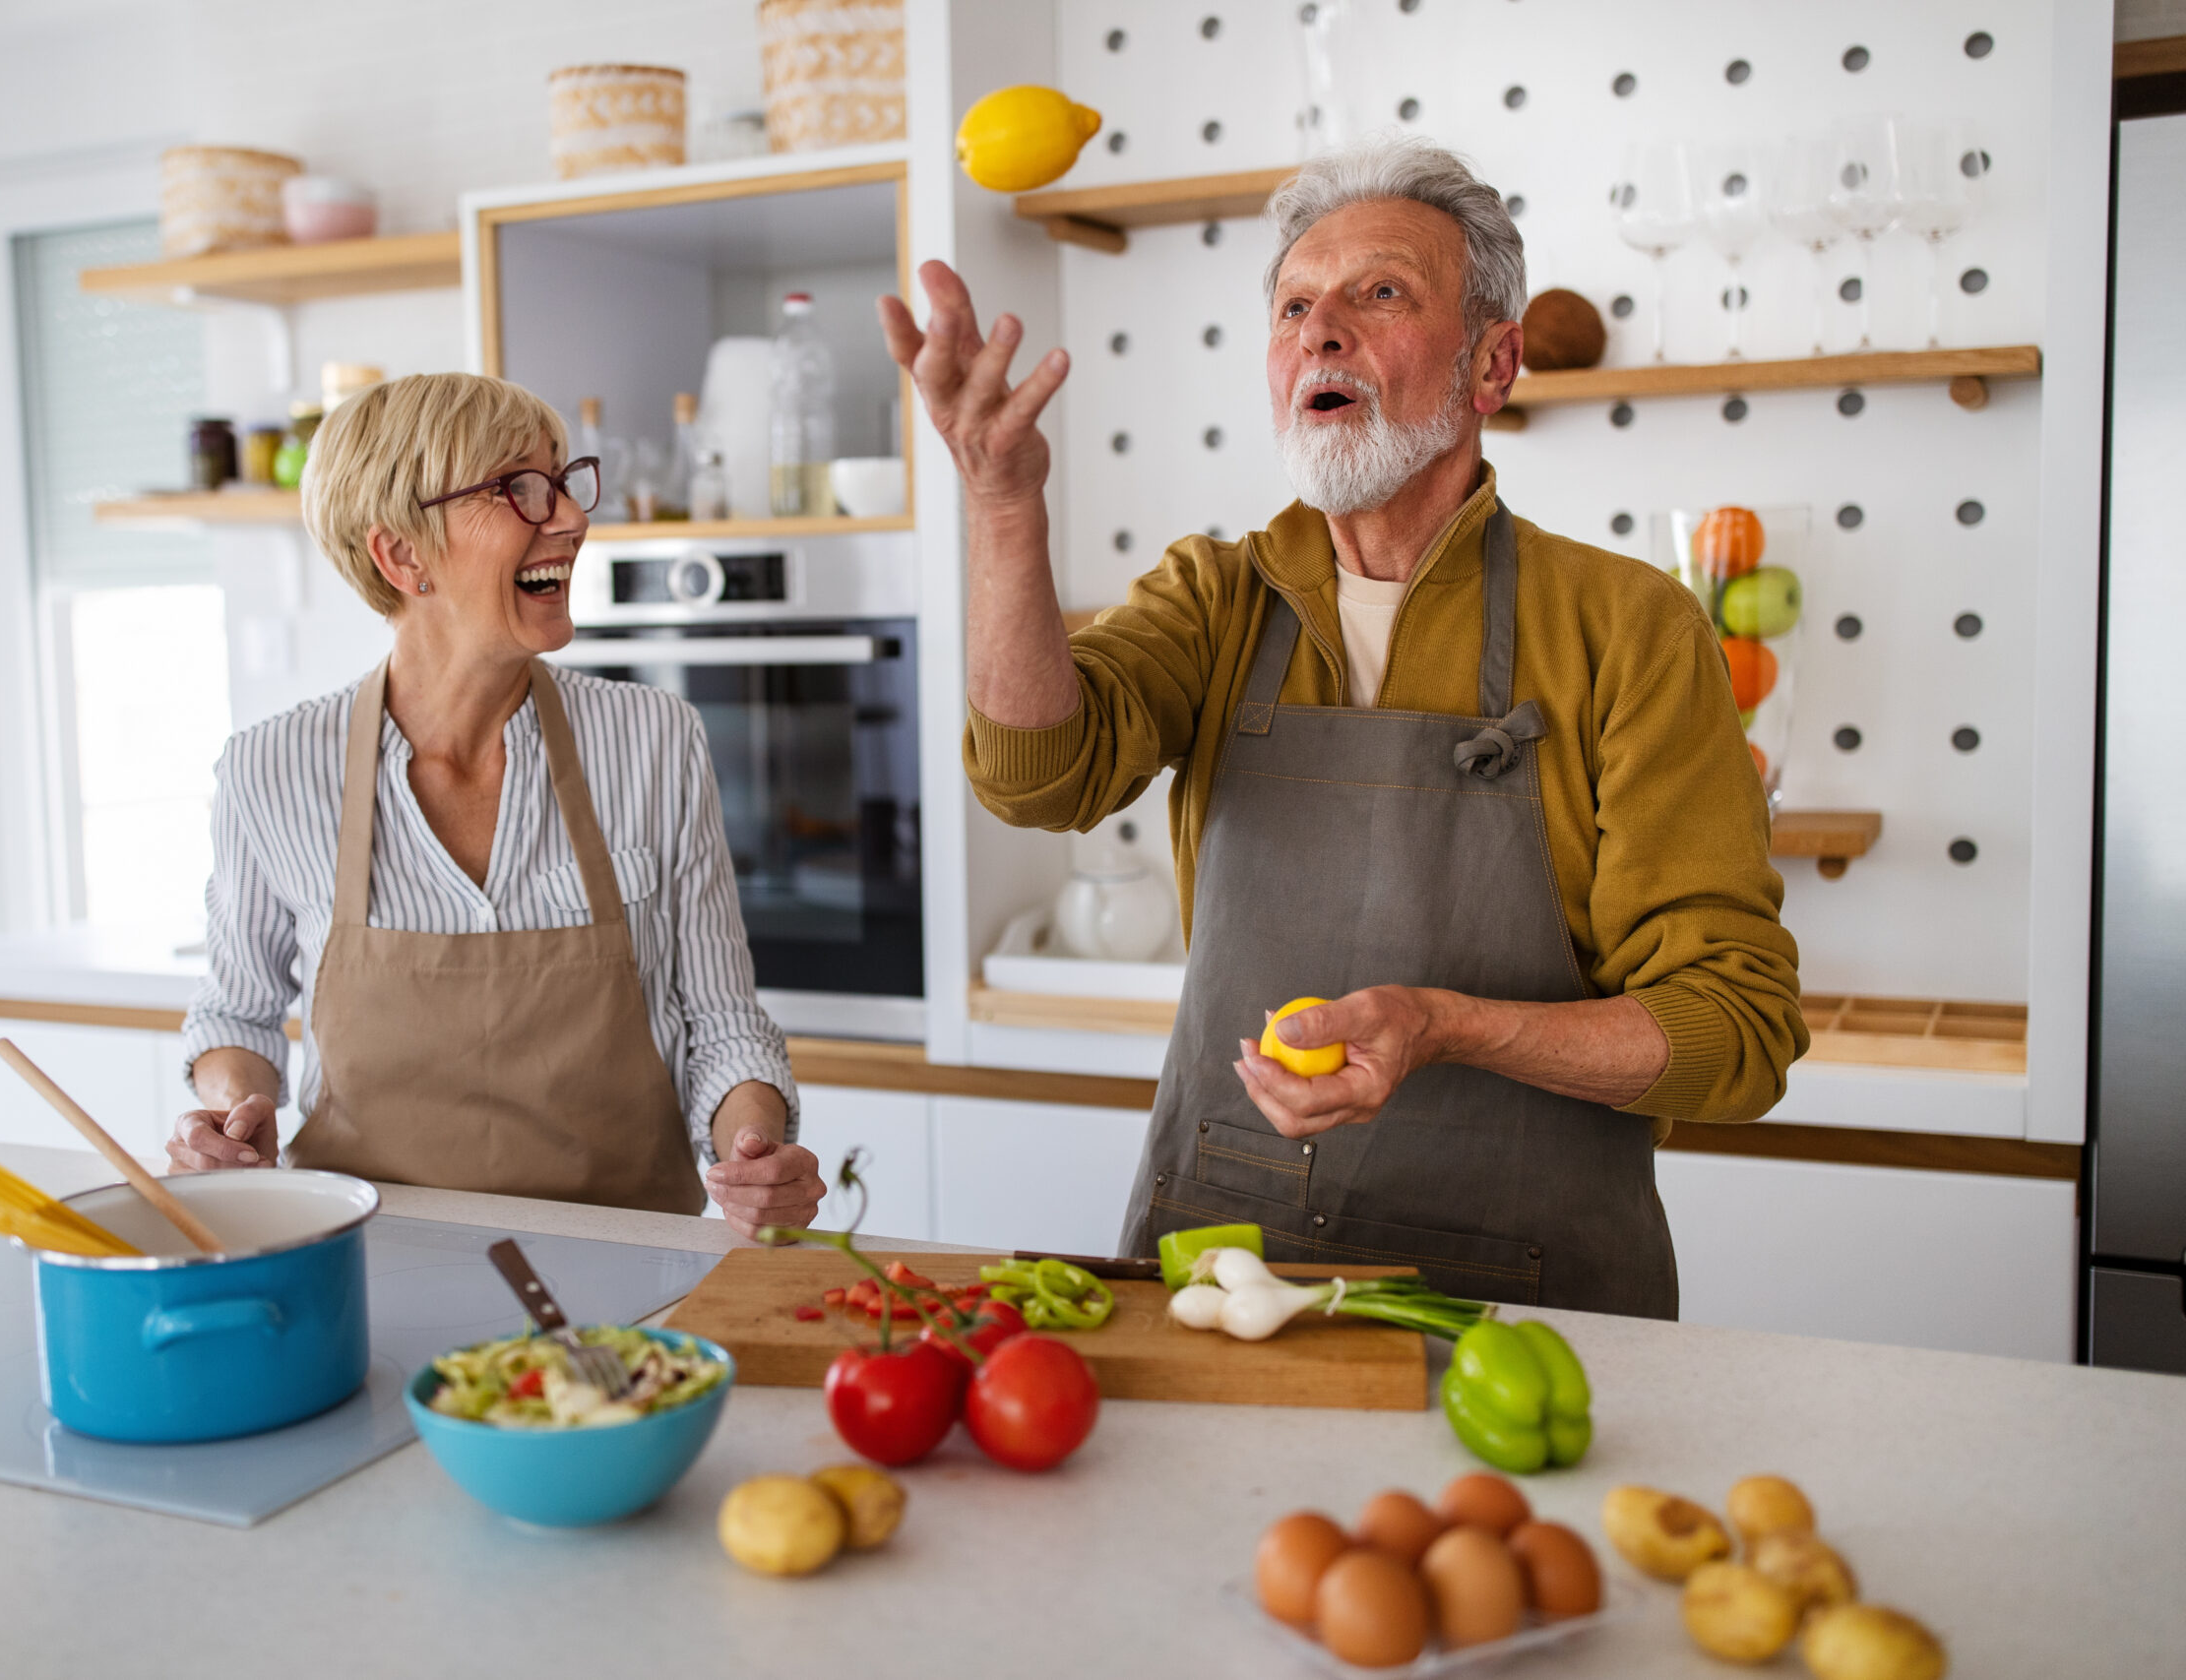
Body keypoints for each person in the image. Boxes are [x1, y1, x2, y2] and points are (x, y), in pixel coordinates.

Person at [879, 137, 1806, 1317]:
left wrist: (1437, 1026)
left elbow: (1735, 1029)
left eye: (1380, 295)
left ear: (1492, 364)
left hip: (1531, 1300)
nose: (1321, 331)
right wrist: (1005, 509)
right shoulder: (1214, 598)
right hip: (1227, 1271)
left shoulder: (1629, 627)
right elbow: (1036, 777)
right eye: (1295, 307)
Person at [170, 372, 824, 1238]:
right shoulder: (271, 768)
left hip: (628, 1268)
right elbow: (237, 1013)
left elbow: (723, 1022)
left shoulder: (654, 739)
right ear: (403, 556)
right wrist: (229, 1112)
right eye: (518, 490)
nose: (570, 517)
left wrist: (754, 1148)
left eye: (561, 480)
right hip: (367, 1258)